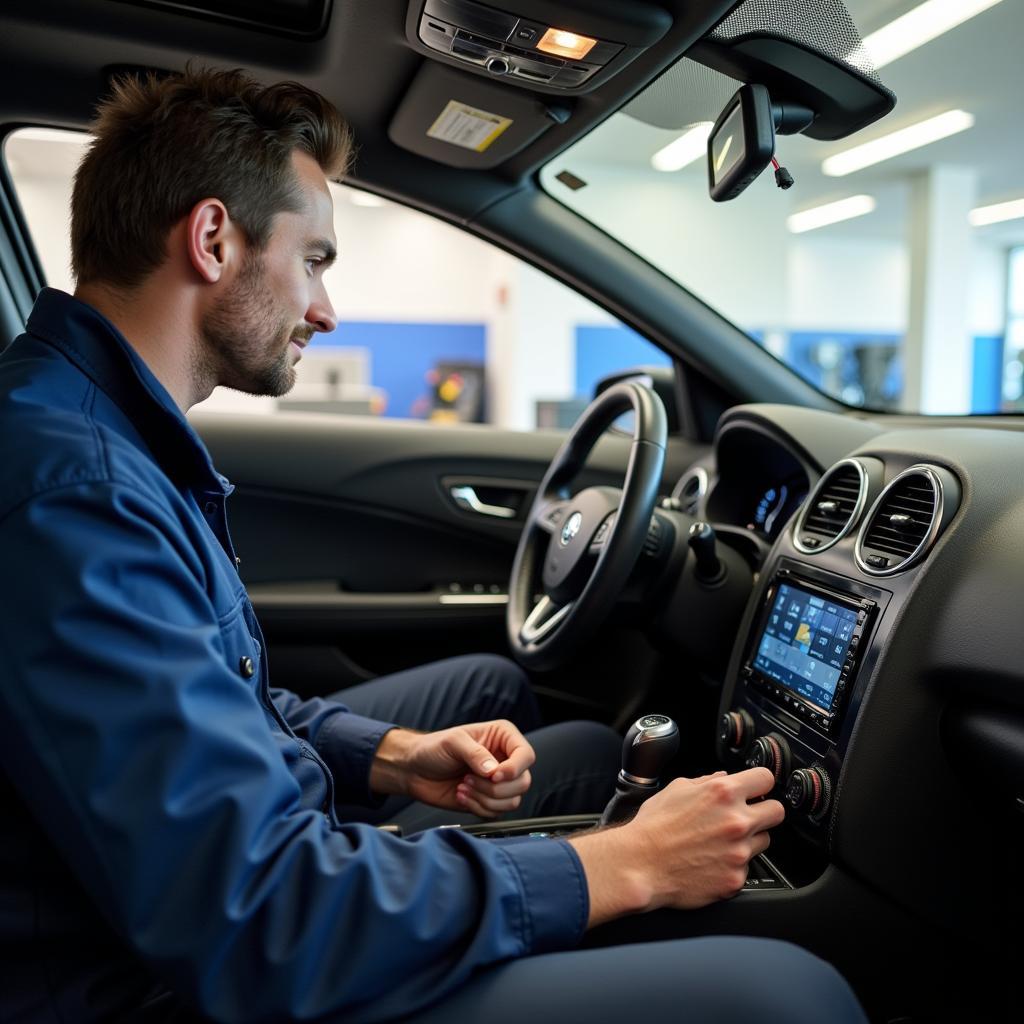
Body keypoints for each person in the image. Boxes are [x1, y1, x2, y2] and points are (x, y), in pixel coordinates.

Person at [0, 66, 867, 1024]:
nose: (325, 308)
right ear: (212, 240)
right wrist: (627, 866)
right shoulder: (78, 494)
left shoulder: (97, 442)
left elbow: (219, 695)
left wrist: (398, 758)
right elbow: (266, 922)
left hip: (220, 912)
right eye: (316, 259)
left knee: (573, 748)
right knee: (788, 996)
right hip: (165, 983)